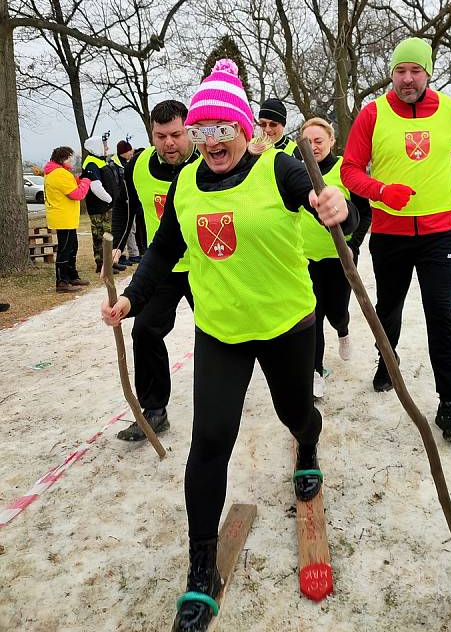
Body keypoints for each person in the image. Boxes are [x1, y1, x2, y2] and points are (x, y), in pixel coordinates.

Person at [102, 59, 357, 632]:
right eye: (202, 130)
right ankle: (199, 565)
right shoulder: (187, 184)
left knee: (296, 412)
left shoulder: (280, 170)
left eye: (222, 129)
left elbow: (329, 198)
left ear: (244, 130)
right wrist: (132, 300)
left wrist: (337, 203)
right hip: (221, 331)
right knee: (211, 441)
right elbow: (164, 250)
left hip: (286, 323)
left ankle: (308, 453)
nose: (211, 141)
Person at [341, 37, 451, 443]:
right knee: (389, 309)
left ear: (428, 72)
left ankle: (449, 401)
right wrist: (382, 191)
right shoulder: (373, 114)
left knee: (441, 314)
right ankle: (388, 361)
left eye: (414, 70)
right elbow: (350, 170)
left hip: (438, 234)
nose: (407, 79)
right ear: (391, 74)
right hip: (391, 234)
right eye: (399, 71)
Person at [110, 101, 201, 442]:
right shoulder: (138, 167)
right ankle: (155, 410)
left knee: (221, 333)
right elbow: (125, 204)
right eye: (161, 136)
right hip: (160, 266)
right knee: (144, 331)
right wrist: (118, 243)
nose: (169, 143)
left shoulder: (206, 163)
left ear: (189, 131)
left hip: (205, 266)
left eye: (176, 134)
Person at [299, 117, 371, 399]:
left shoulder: (346, 170)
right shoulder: (295, 173)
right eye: (308, 142)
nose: (314, 147)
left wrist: (353, 244)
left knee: (336, 310)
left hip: (339, 257)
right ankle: (315, 371)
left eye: (319, 141)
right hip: (304, 259)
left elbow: (365, 213)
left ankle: (343, 329)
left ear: (331, 141)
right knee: (311, 316)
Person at [43, 146, 91, 293]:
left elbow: (67, 187)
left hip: (65, 216)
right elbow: (77, 194)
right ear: (63, 159)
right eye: (70, 158)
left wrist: (77, 179)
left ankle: (71, 275)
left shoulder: (56, 173)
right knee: (65, 249)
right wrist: (86, 181)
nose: (72, 161)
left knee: (72, 246)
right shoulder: (59, 174)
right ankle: (62, 281)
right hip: (63, 217)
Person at [81, 134, 122, 274]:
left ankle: (109, 263)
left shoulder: (100, 161)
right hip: (99, 208)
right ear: (97, 147)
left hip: (107, 207)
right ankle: (102, 264)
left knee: (109, 235)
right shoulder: (91, 163)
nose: (107, 148)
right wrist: (110, 199)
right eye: (104, 145)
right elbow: (96, 186)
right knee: (100, 236)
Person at [114, 140, 141, 265]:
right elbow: (118, 185)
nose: (131, 152)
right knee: (128, 229)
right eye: (129, 150)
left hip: (129, 200)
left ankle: (132, 253)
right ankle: (124, 253)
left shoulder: (127, 164)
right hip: (123, 201)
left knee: (132, 229)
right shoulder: (119, 166)